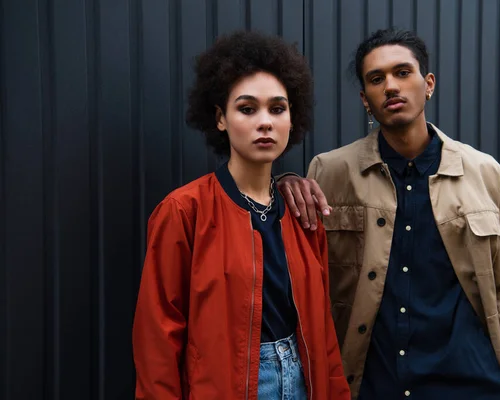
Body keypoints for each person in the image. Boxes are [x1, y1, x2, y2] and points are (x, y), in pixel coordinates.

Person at [278, 29, 500, 400]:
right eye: (376, 79)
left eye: (403, 73)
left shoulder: (485, 173)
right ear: (365, 100)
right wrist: (283, 181)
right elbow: (304, 283)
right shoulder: (330, 172)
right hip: (371, 386)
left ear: (428, 83)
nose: (390, 86)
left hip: (469, 385)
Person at [133, 30, 350, 400]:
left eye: (277, 108)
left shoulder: (303, 214)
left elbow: (323, 330)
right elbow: (157, 337)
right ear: (220, 118)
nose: (264, 122)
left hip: (302, 382)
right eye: (247, 108)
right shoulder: (185, 211)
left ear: (291, 119)